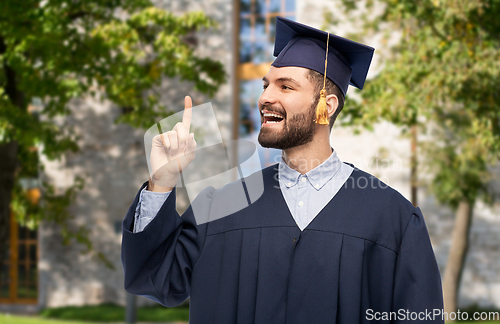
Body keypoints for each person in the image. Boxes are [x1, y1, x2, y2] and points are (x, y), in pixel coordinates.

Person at [121, 17, 444, 323]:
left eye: (285, 87)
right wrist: (162, 181)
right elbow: (154, 280)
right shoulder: (221, 206)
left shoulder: (391, 218)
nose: (265, 97)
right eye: (265, 86)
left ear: (325, 106)